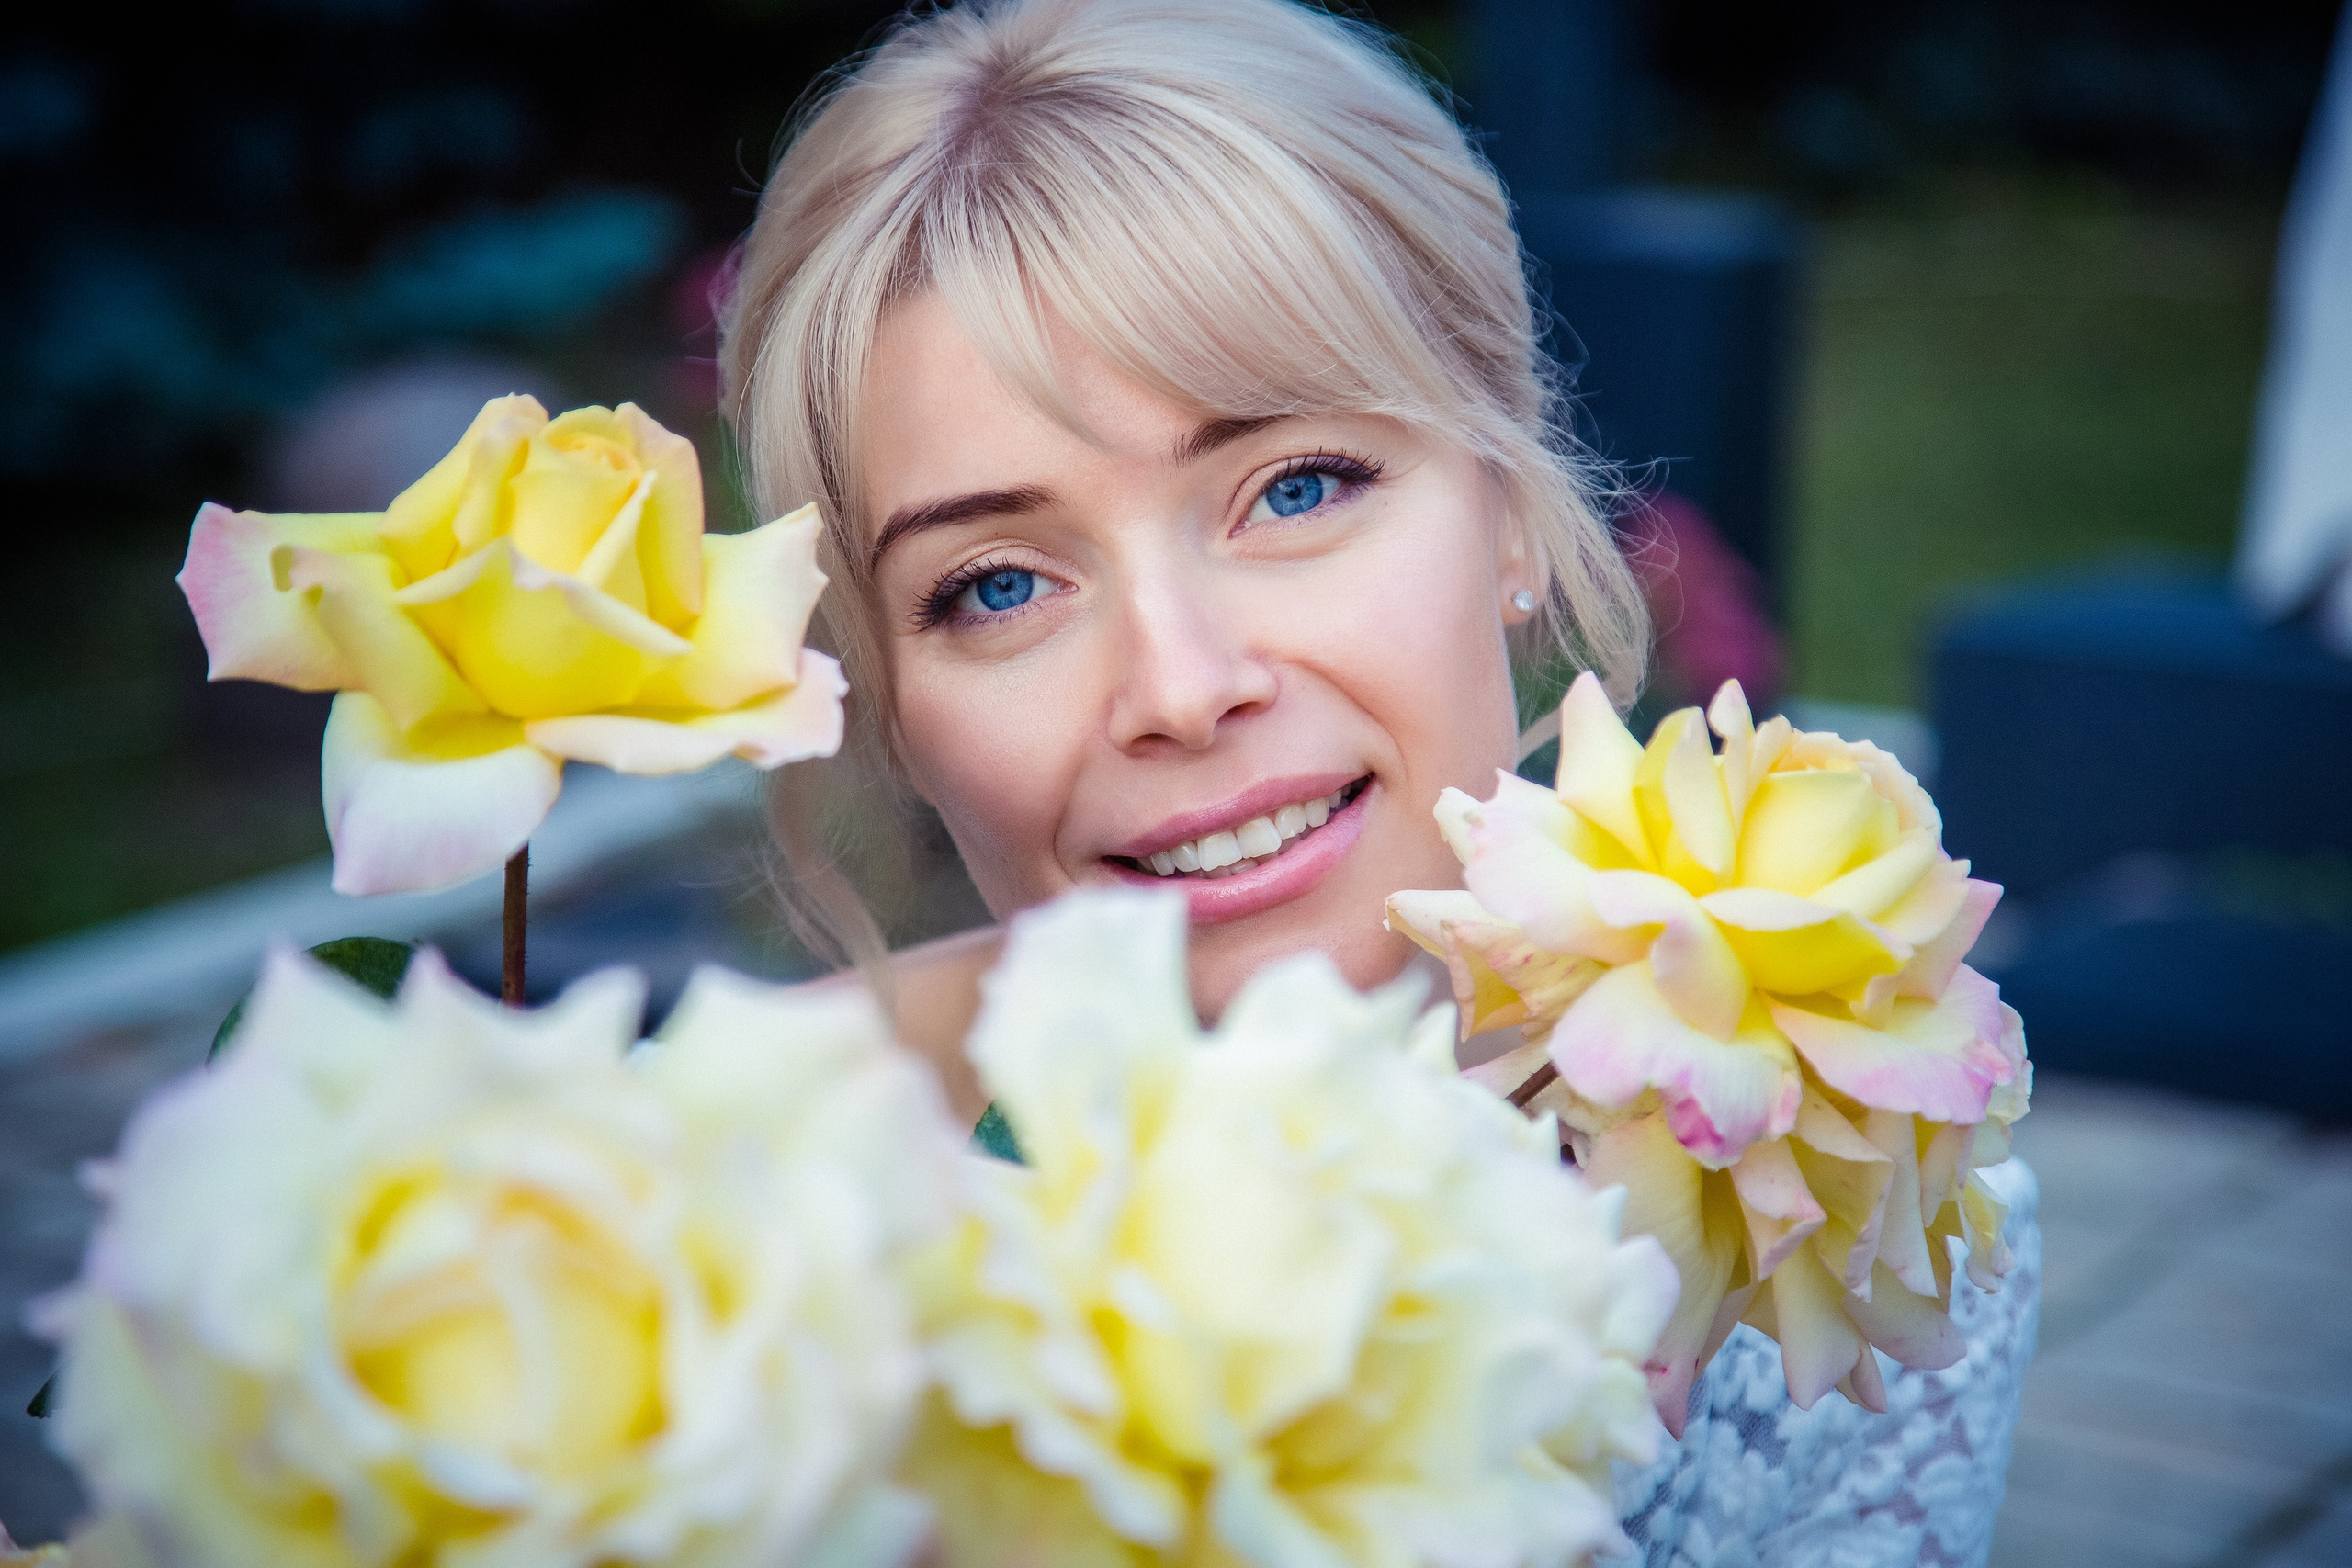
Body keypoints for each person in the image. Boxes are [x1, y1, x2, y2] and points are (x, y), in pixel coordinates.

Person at [718, 2, 2039, 1562]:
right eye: (998, 586)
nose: (1184, 686)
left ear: (1510, 511)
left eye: (1294, 487)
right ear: (886, 710)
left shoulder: (1842, 1209)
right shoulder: (732, 1246)